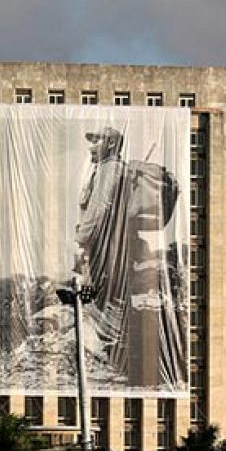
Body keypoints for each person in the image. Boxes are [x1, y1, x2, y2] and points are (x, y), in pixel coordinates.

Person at [75, 124, 185, 389]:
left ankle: (116, 362)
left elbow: (100, 208)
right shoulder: (113, 169)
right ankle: (120, 359)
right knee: (109, 300)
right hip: (117, 243)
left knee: (107, 301)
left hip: (109, 245)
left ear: (111, 144)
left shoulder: (109, 169)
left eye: (96, 140)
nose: (91, 146)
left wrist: (82, 238)